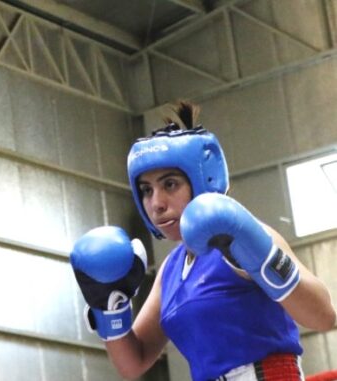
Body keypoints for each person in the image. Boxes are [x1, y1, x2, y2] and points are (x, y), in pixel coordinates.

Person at [70, 102, 336, 380]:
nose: (156, 203)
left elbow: (324, 316)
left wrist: (260, 257)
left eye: (170, 184)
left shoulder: (244, 237)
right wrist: (110, 306)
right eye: (146, 190)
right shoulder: (171, 269)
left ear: (203, 179)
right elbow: (133, 363)